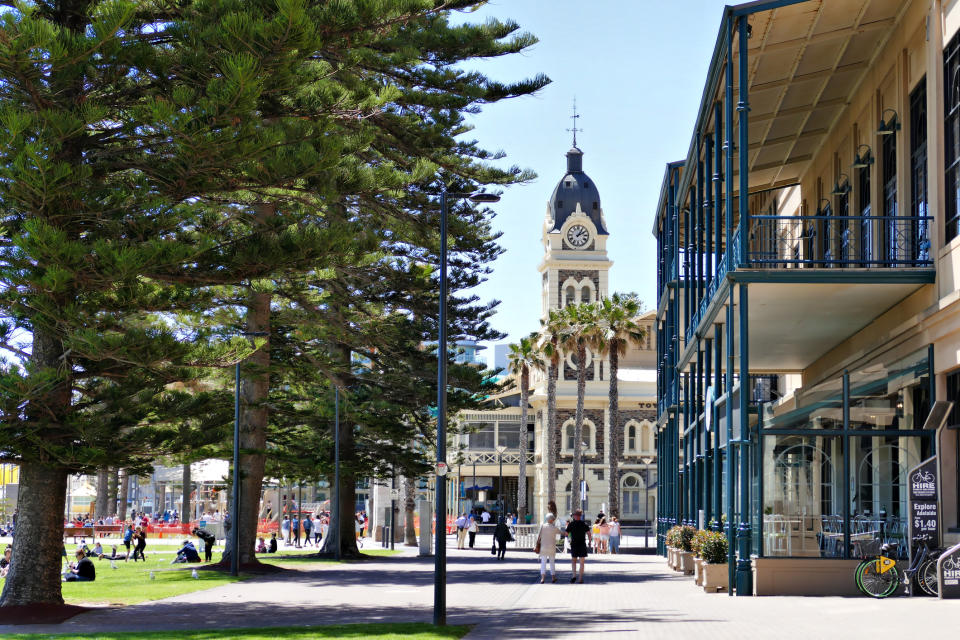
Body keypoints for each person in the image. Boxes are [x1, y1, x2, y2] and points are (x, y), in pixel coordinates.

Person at [536, 513, 565, 583]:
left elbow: (539, 537)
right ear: (552, 520)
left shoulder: (542, 526)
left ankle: (542, 578)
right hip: (552, 548)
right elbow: (562, 533)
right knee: (552, 563)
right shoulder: (554, 528)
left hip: (543, 548)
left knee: (543, 563)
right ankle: (553, 578)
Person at [565, 509, 592, 583]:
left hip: (574, 544)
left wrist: (569, 539)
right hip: (582, 544)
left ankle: (574, 576)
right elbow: (589, 533)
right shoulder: (584, 524)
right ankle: (580, 578)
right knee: (582, 562)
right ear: (580, 516)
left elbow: (566, 534)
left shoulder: (571, 524)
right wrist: (589, 542)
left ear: (575, 516)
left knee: (573, 561)